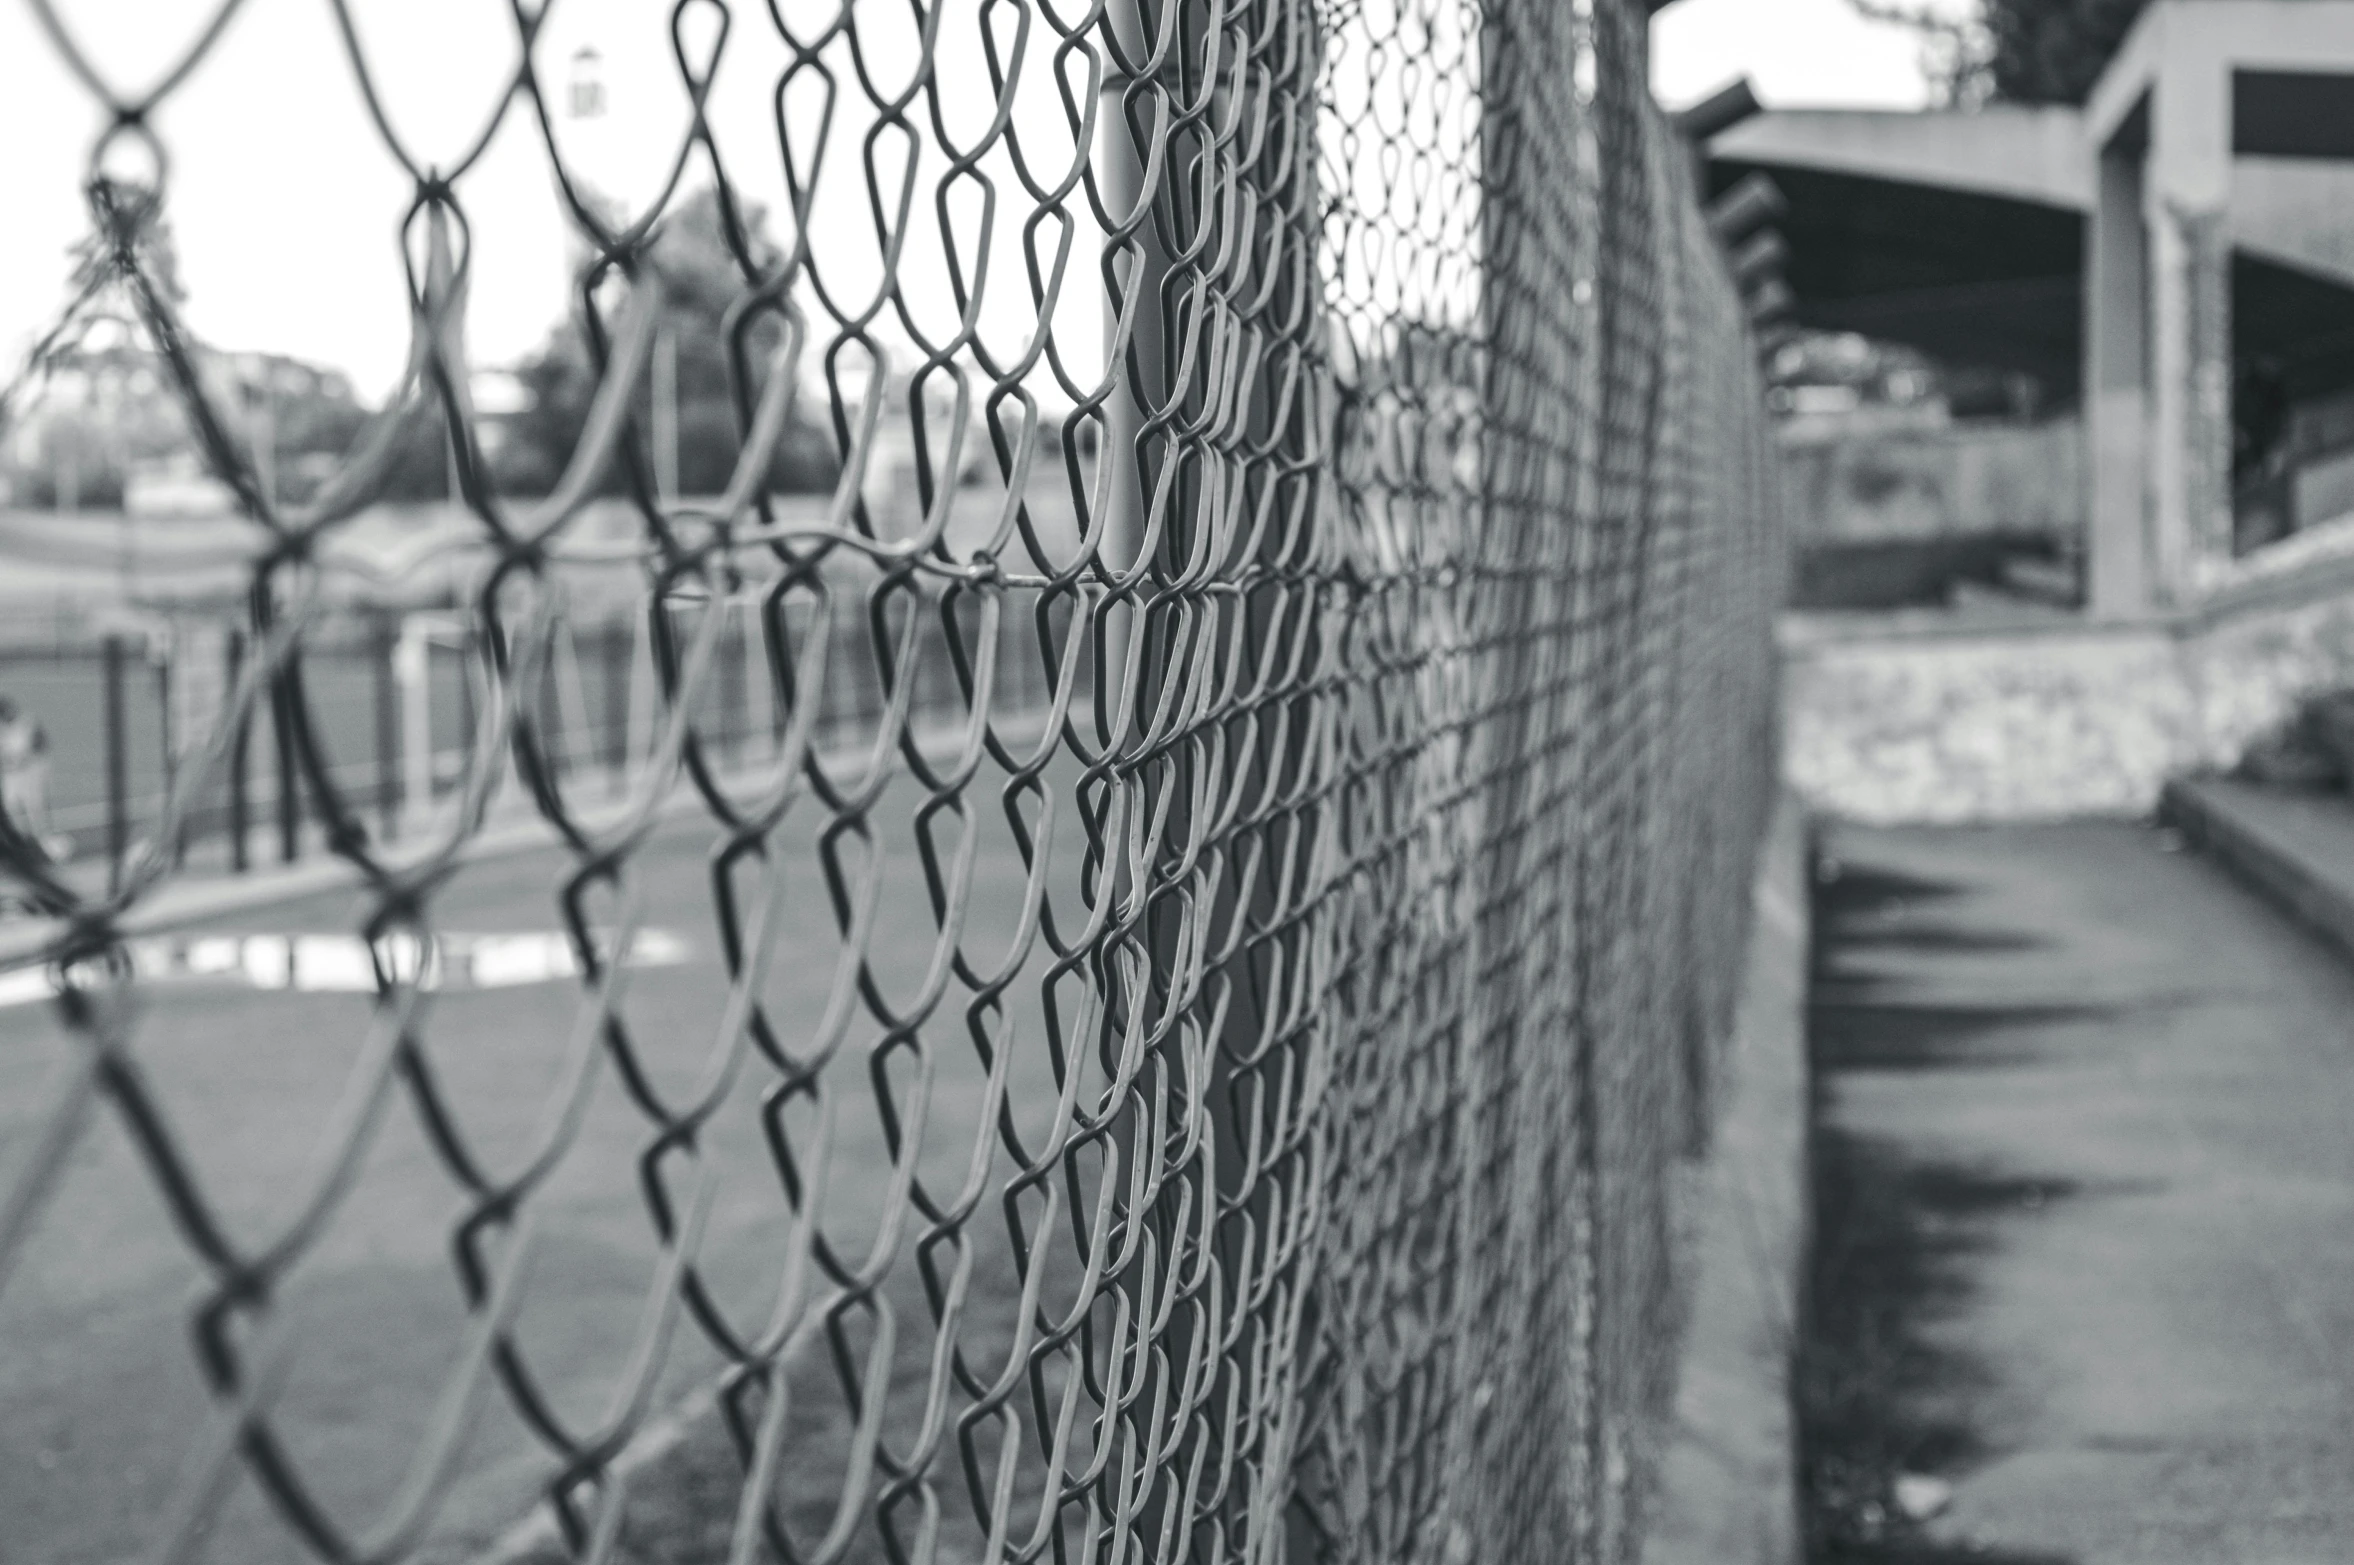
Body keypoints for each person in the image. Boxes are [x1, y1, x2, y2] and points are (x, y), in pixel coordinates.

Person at [0, 696, 58, 859]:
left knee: (35, 808)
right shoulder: (3, 727)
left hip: (31, 771)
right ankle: (23, 840)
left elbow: (42, 743)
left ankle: (47, 845)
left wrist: (26, 756)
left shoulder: (28, 722)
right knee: (10, 806)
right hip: (10, 774)